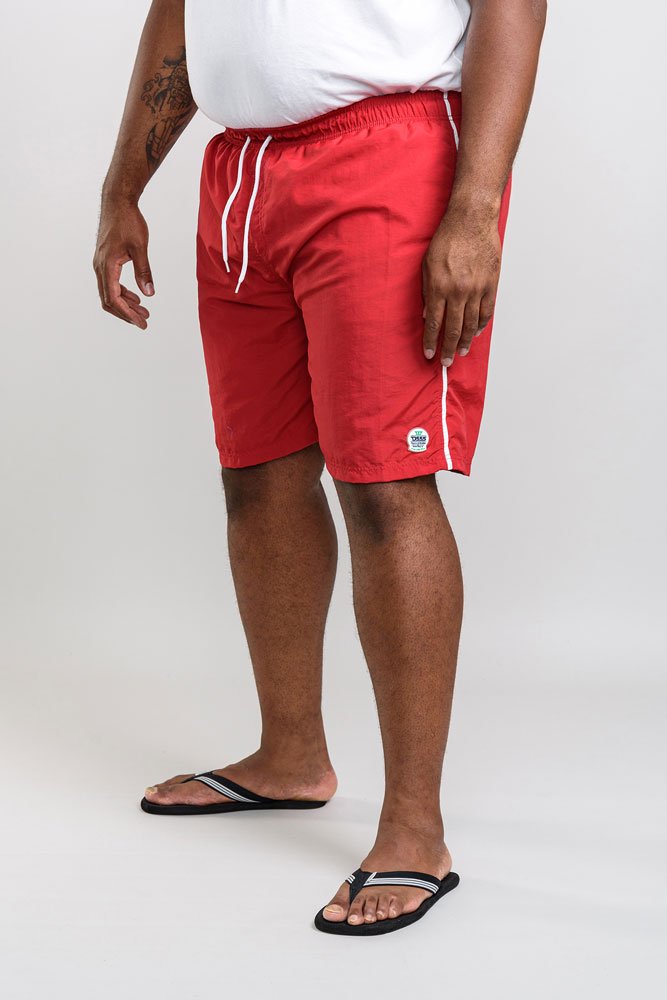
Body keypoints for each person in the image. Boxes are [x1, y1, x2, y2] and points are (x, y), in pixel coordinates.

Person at [93, 0, 546, 936]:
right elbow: (179, 13)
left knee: (382, 485)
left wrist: (474, 206)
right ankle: (289, 757)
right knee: (257, 474)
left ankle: (415, 830)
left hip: (390, 154)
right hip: (241, 170)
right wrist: (121, 186)